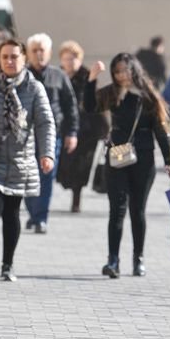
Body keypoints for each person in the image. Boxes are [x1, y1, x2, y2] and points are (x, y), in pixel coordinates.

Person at [0, 39, 56, 281]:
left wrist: (46, 154)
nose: (10, 61)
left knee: (12, 212)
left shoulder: (33, 88)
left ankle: (8, 264)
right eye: (5, 57)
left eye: (15, 56)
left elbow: (46, 123)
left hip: (20, 160)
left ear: (24, 59)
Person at [84, 53, 170, 278]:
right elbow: (89, 106)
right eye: (117, 71)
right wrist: (92, 78)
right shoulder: (112, 93)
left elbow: (161, 132)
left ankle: (138, 258)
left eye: (125, 70)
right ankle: (113, 260)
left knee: (137, 211)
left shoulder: (147, 97)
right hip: (117, 157)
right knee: (117, 210)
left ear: (134, 70)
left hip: (143, 158)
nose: (121, 75)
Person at [24, 33, 79, 234]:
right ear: (28, 54)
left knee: (46, 175)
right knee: (28, 176)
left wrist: (72, 133)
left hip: (51, 135)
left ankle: (41, 218)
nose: (39, 54)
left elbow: (70, 106)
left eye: (42, 51)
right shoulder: (23, 76)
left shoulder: (59, 76)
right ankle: (32, 211)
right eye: (34, 51)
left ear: (49, 53)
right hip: (26, 136)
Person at [56, 41, 110, 213]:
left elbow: (97, 103)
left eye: (73, 59)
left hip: (87, 130)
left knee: (80, 167)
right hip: (62, 127)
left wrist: (105, 129)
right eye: (66, 59)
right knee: (62, 165)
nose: (70, 62)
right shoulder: (56, 76)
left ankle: (76, 200)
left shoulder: (88, 77)